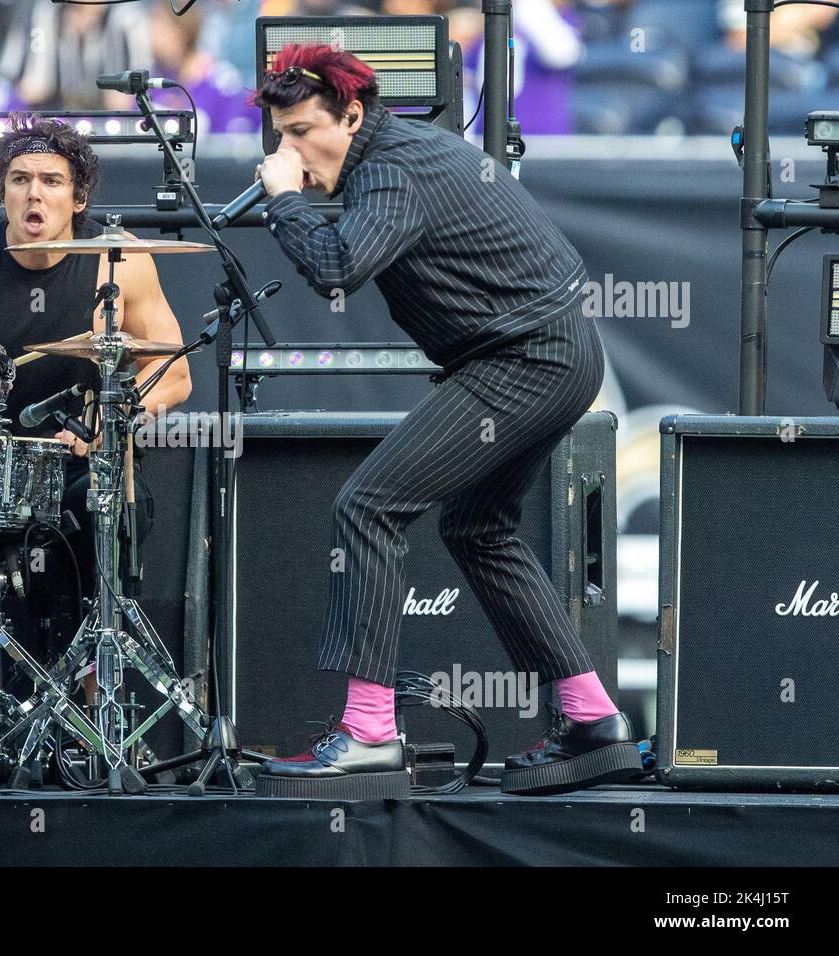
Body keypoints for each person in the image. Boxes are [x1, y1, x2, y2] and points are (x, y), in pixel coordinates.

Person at [250, 44, 639, 795]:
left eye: (300, 132)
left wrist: (284, 201)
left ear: (352, 115)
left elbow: (336, 268)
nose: (286, 151)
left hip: (528, 359)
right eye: (279, 136)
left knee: (366, 507)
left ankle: (367, 732)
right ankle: (592, 718)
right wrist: (297, 190)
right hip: (548, 354)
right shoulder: (397, 155)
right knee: (475, 528)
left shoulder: (393, 168)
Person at [0, 113, 191, 652]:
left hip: (78, 463)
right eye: (20, 179)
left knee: (111, 506)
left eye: (51, 181)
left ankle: (95, 685)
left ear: (77, 199)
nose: (35, 194)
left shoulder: (118, 262)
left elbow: (174, 373)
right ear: (2, 192)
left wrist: (114, 421)